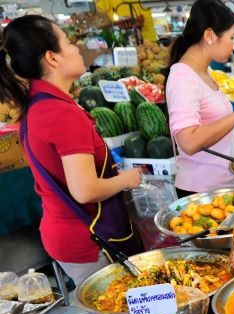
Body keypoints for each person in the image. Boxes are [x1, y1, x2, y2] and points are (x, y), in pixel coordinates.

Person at [0, 15, 143, 285]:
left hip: (64, 231)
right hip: (87, 238)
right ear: (52, 58)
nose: (77, 47)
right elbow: (85, 190)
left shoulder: (37, 104)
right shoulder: (62, 114)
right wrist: (127, 179)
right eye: (68, 42)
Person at [166, 0, 234, 197]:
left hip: (222, 186)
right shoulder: (182, 77)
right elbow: (188, 141)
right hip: (201, 194)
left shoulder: (205, 71)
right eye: (231, 37)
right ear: (209, 35)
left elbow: (207, 124)